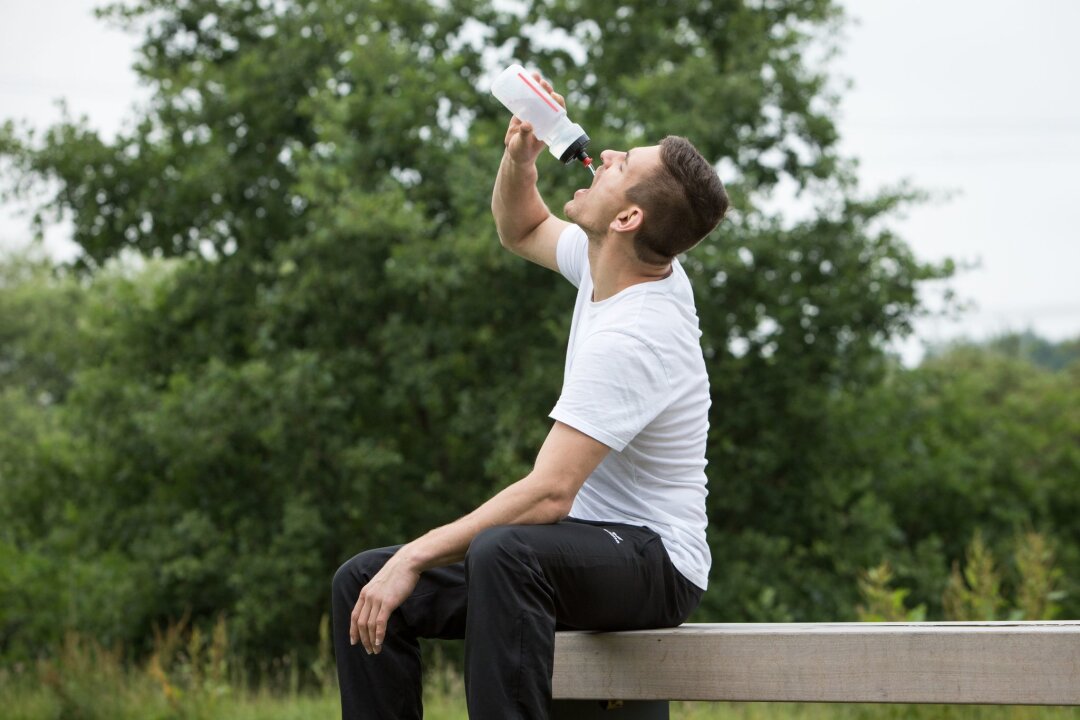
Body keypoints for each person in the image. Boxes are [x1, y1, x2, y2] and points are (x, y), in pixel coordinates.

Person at [331, 73, 729, 720]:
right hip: (584, 545)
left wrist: (417, 552)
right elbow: (520, 230)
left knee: (504, 551)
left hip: (657, 562)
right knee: (364, 585)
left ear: (628, 217)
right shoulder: (614, 259)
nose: (605, 156)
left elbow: (549, 494)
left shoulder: (638, 334)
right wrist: (520, 159)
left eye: (622, 165)